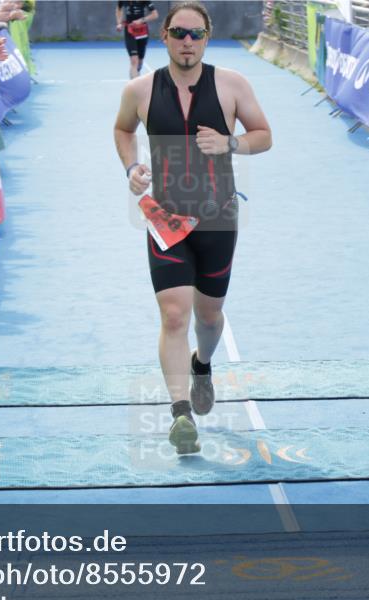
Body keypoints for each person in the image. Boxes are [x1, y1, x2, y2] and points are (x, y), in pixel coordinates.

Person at [113, 1, 272, 454]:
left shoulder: (232, 85)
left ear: (207, 37)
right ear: (163, 35)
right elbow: (122, 131)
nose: (187, 42)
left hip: (218, 216)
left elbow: (264, 134)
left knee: (208, 315)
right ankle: (180, 413)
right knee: (175, 314)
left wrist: (231, 142)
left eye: (196, 34)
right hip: (165, 217)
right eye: (179, 33)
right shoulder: (141, 90)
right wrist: (131, 169)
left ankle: (203, 364)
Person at [116, 1, 157, 79]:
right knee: (134, 60)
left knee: (140, 61)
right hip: (129, 32)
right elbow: (118, 8)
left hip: (142, 31)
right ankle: (134, 87)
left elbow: (155, 14)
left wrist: (141, 20)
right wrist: (119, 23)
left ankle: (137, 72)